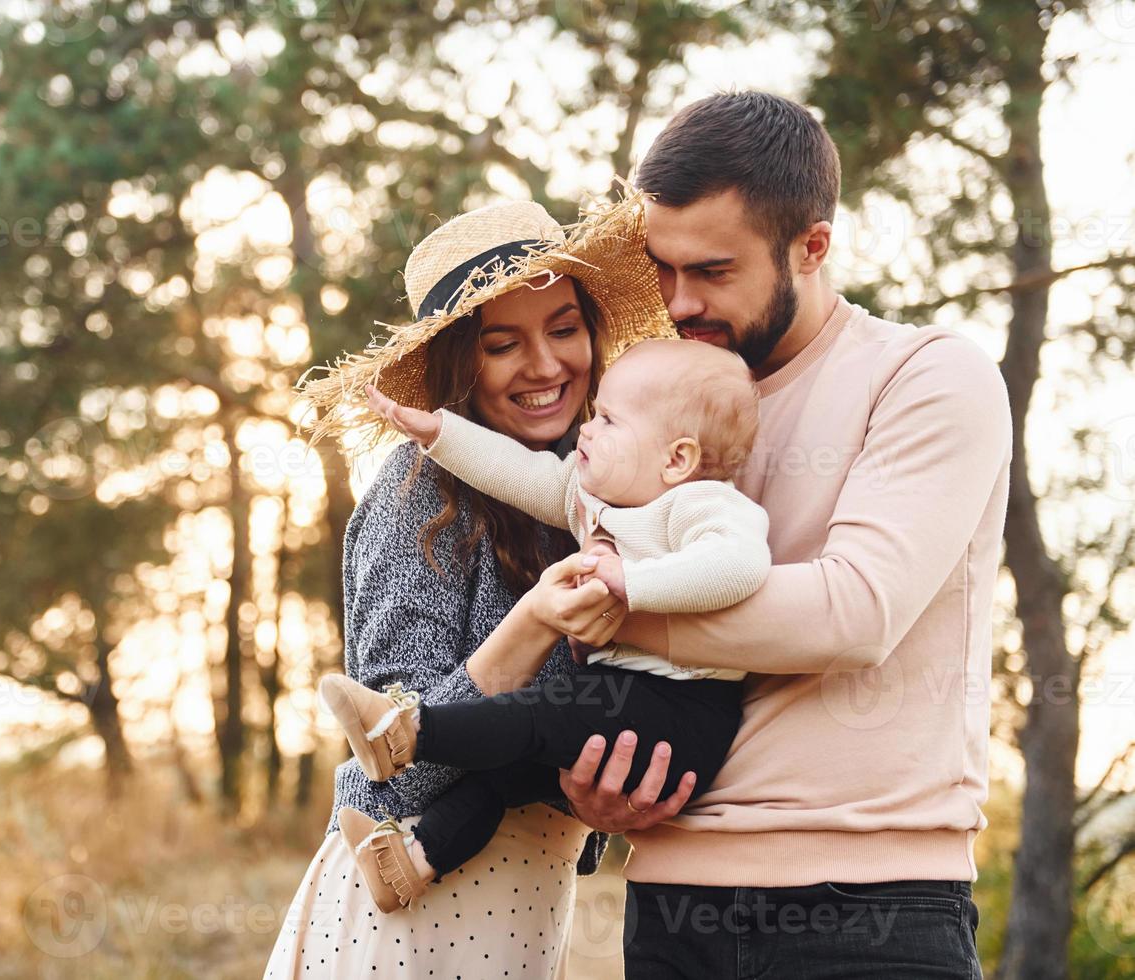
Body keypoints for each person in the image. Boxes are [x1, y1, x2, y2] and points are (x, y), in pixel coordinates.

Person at [560, 91, 1011, 978]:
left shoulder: (925, 377)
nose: (680, 301)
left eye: (714, 270)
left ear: (813, 245)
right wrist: (589, 784)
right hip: (670, 900)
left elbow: (851, 614)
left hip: (872, 909)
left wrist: (598, 606)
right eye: (663, 267)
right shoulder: (651, 400)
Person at [264, 195, 691, 977]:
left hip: (526, 917)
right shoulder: (420, 491)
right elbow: (398, 766)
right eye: (504, 344)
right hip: (405, 922)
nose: (545, 365)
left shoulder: (595, 496)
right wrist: (531, 622)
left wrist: (598, 802)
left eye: (564, 329)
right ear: (461, 365)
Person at [320, 337, 771, 914]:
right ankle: (412, 861)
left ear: (676, 459)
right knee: (497, 779)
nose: (588, 428)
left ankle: (411, 734)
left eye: (609, 420)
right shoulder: (591, 497)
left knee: (541, 711)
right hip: (628, 702)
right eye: (596, 412)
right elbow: (519, 472)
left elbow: (739, 567)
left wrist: (632, 582)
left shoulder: (703, 504)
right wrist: (437, 433)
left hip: (683, 709)